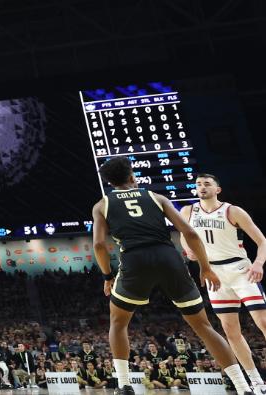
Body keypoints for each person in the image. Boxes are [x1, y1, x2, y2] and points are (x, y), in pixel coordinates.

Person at [91, 156, 256, 395]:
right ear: (131, 177)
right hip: (168, 257)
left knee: (118, 323)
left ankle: (124, 384)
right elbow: (188, 231)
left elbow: (98, 245)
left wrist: (107, 275)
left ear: (109, 182)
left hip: (135, 260)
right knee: (203, 326)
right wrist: (205, 267)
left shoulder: (102, 205)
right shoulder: (156, 198)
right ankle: (243, 388)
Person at [180, 173, 266, 388]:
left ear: (218, 189)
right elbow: (183, 232)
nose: (202, 187)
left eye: (207, 184)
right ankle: (256, 382)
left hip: (240, 270)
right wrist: (186, 247)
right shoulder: (188, 211)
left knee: (263, 322)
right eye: (198, 184)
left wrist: (258, 263)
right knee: (230, 331)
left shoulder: (232, 211)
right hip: (213, 273)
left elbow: (262, 240)